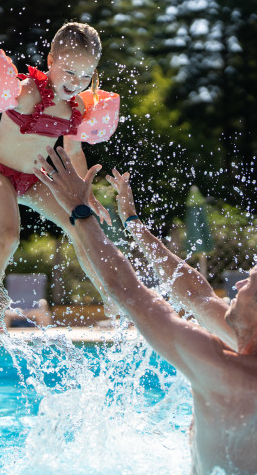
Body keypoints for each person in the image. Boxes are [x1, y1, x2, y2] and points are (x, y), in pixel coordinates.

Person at [33, 145, 257, 475]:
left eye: (250, 282)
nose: (236, 286)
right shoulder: (242, 348)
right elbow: (197, 295)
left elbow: (132, 295)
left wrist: (79, 210)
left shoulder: (225, 372)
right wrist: (134, 223)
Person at [0, 22, 117, 339]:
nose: (76, 83)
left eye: (85, 77)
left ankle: (112, 303)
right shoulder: (27, 91)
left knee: (80, 224)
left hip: (36, 179)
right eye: (69, 73)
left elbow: (74, 153)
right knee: (9, 236)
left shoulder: (74, 110)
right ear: (51, 61)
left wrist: (84, 193)